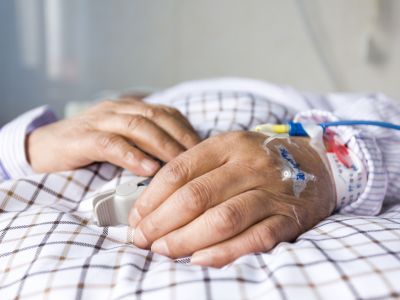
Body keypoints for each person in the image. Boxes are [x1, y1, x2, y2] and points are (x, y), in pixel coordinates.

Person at [0, 78, 399, 268]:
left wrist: (322, 163)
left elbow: (389, 122)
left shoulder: (257, 98)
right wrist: (22, 147)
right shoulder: (47, 145)